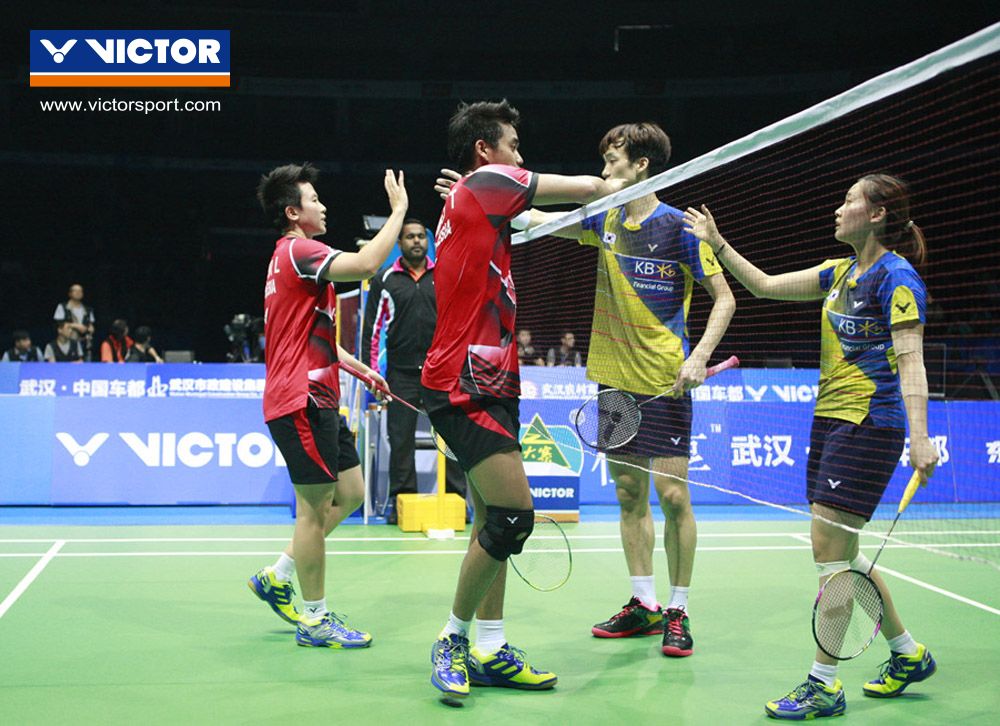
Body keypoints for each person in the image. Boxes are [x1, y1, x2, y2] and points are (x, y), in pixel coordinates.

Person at [683, 173, 938, 719]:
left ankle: (824, 682)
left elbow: (912, 359)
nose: (838, 207)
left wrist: (920, 438)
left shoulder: (897, 280)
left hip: (870, 425)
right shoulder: (840, 272)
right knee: (844, 553)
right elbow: (764, 287)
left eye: (850, 200)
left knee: (830, 559)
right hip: (828, 422)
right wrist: (717, 242)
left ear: (877, 215)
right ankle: (907, 653)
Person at [423, 99, 628, 703]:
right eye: (514, 144)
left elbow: (531, 220)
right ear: (486, 150)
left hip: (490, 377)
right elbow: (591, 186)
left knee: (489, 518)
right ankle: (452, 639)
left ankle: (489, 646)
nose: (521, 155)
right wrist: (632, 176)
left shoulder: (476, 198)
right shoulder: (488, 182)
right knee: (515, 517)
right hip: (464, 382)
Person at [520, 122, 735, 657]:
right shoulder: (605, 219)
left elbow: (724, 298)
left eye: (613, 158)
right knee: (628, 494)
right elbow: (543, 220)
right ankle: (644, 603)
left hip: (665, 381)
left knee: (673, 495)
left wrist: (699, 356)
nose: (604, 167)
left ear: (641, 165)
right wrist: (481, 193)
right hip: (613, 380)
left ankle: (679, 609)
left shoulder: (679, 229)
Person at [246, 162, 407, 650]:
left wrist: (361, 368)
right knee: (312, 513)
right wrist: (398, 211)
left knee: (352, 492)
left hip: (319, 396)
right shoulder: (299, 250)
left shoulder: (288, 259)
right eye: (314, 200)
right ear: (294, 212)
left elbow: (311, 337)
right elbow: (364, 265)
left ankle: (278, 576)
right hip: (299, 401)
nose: (324, 206)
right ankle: (314, 619)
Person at [360, 217, 467, 524]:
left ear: (427, 241)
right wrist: (372, 374)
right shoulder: (384, 280)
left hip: (441, 373)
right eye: (410, 237)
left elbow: (458, 321)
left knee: (452, 438)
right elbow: (372, 330)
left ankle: (457, 501)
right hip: (400, 375)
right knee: (401, 439)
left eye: (421, 236)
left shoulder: (444, 274)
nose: (417, 241)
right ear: (400, 244)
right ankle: (401, 502)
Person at [53, 284, 95, 361]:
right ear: (70, 293)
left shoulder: (88, 309)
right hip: (68, 343)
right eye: (75, 291)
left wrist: (91, 328)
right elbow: (59, 324)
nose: (78, 293)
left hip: (84, 344)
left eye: (80, 291)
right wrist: (76, 326)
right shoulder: (62, 307)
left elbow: (91, 324)